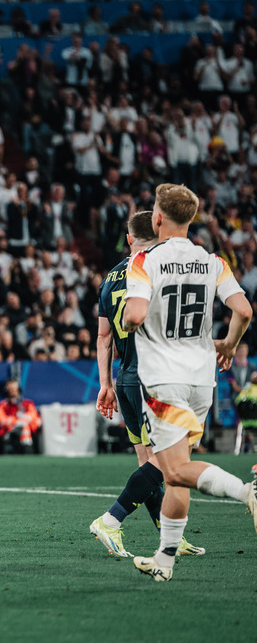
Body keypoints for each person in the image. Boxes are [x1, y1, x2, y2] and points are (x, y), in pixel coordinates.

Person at [123, 184, 256, 582]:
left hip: (164, 380)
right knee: (176, 470)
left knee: (177, 470)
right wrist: (228, 344)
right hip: (201, 380)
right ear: (192, 218)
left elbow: (134, 315)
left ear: (157, 218)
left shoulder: (144, 260)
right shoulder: (212, 261)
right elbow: (243, 310)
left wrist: (133, 318)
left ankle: (247, 491)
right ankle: (164, 560)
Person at [91, 211, 204, 558]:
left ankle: (170, 539)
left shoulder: (110, 277)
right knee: (171, 458)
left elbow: (103, 337)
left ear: (129, 239)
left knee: (148, 461)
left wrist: (105, 384)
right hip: (153, 378)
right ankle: (111, 520)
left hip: (125, 379)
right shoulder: (159, 270)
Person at [0, 380, 41, 454]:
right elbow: (2, 420)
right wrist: (16, 422)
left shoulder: (28, 403)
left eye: (15, 389)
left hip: (28, 434)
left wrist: (21, 422)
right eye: (10, 389)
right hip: (10, 432)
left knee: (25, 427)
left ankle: (28, 450)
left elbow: (33, 416)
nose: (13, 391)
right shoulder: (3, 405)